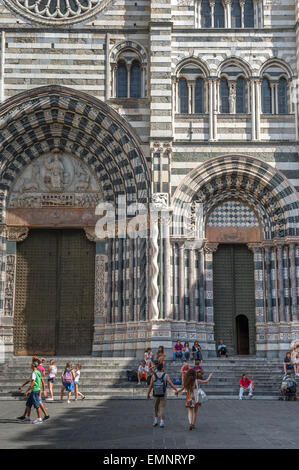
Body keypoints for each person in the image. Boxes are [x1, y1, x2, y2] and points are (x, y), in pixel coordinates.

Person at [146, 362, 178, 428]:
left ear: (157, 368)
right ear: (162, 368)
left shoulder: (153, 375)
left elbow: (151, 386)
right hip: (163, 393)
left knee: (155, 407)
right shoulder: (165, 375)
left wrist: (148, 394)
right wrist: (176, 389)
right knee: (162, 407)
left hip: (155, 393)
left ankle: (155, 421)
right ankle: (162, 422)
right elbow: (170, 383)